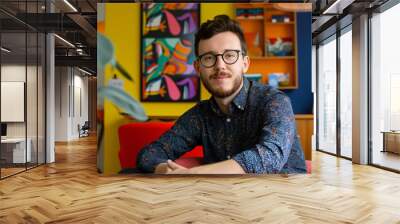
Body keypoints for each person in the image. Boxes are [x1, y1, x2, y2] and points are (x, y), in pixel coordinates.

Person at [137, 15, 306, 174]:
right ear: (198, 68)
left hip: (284, 199)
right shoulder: (200, 116)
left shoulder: (274, 101)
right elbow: (149, 154)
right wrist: (164, 170)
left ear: (245, 64)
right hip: (224, 199)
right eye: (209, 58)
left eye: (229, 55)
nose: (220, 66)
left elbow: (270, 156)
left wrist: (194, 174)